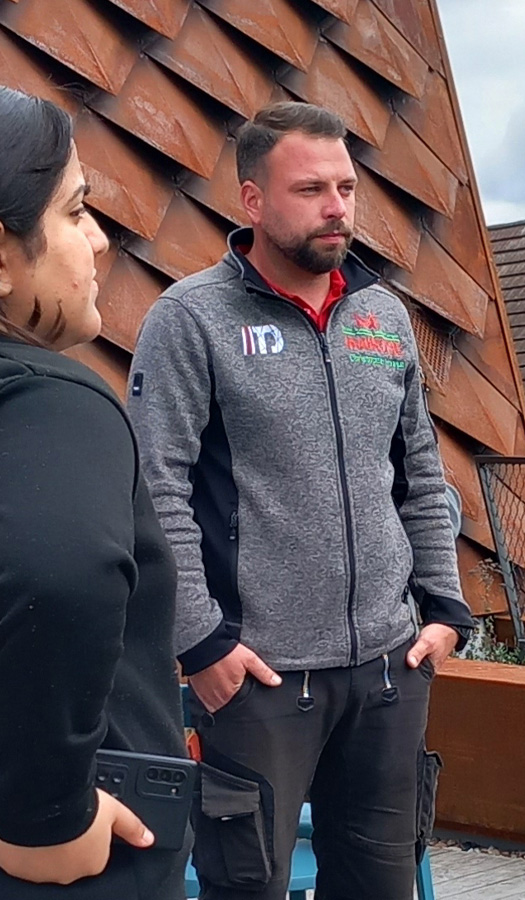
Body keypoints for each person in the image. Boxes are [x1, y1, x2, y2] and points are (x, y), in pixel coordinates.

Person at [127, 101, 474, 900]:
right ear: (252, 201)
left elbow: (420, 472)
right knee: (246, 887)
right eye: (311, 188)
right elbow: (155, 488)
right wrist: (202, 644)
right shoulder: (192, 320)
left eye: (347, 188)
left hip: (388, 673)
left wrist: (446, 612)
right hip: (262, 681)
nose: (336, 207)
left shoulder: (382, 317)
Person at [0, 86, 186, 899]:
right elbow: (60, 576)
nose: (100, 240)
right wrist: (48, 821)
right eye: (75, 212)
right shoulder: (51, 400)